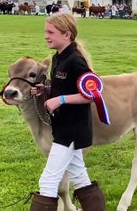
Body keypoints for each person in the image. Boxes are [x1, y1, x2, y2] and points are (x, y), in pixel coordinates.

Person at [29, 13, 106, 211]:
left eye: (50, 32)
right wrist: (45, 90)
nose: (46, 36)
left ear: (67, 35)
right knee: (80, 176)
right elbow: (65, 88)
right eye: (45, 32)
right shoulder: (58, 58)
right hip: (63, 127)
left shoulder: (76, 61)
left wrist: (60, 99)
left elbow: (91, 95)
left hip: (72, 130)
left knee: (48, 180)